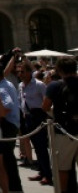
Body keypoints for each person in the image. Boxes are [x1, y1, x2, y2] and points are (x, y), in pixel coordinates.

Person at [0, 61, 23, 193]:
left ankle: (13, 187)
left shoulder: (1, 87)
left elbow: (7, 105)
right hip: (12, 123)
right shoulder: (6, 84)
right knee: (7, 157)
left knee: (6, 157)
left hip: (6, 124)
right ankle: (12, 186)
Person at [43, 56, 78, 190]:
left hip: (63, 131)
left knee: (62, 168)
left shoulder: (55, 85)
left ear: (59, 70)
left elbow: (45, 106)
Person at [18, 60, 51, 184]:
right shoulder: (20, 85)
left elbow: (46, 100)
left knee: (42, 147)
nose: (20, 74)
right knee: (36, 147)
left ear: (30, 72)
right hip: (27, 118)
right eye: (19, 72)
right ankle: (41, 171)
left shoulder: (39, 85)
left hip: (38, 117)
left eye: (23, 72)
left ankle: (48, 174)